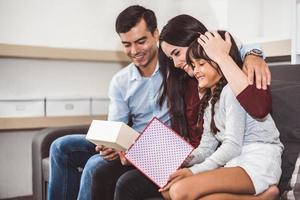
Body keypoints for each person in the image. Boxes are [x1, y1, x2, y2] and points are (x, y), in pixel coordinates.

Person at [94, 14, 274, 200]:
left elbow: (251, 116)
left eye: (177, 53)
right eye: (171, 58)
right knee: (101, 172)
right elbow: (204, 142)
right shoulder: (198, 89)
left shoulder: (227, 82)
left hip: (235, 159)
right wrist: (142, 154)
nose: (176, 64)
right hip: (191, 153)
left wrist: (254, 54)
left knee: (129, 184)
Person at [48, 5, 170, 200]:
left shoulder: (178, 69)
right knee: (60, 146)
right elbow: (115, 128)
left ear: (156, 34)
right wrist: (108, 144)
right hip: (128, 142)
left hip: (160, 149)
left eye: (140, 41)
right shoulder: (120, 81)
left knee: (95, 164)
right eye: (127, 44)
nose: (134, 51)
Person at [159, 30, 283, 200]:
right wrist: (186, 159)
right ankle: (263, 197)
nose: (195, 71)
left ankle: (261, 198)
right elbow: (207, 147)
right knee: (167, 190)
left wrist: (193, 172)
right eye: (194, 65)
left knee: (179, 191)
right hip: (235, 162)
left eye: (201, 64)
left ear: (219, 61)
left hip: (257, 161)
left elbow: (233, 146)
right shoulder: (211, 101)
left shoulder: (232, 90)